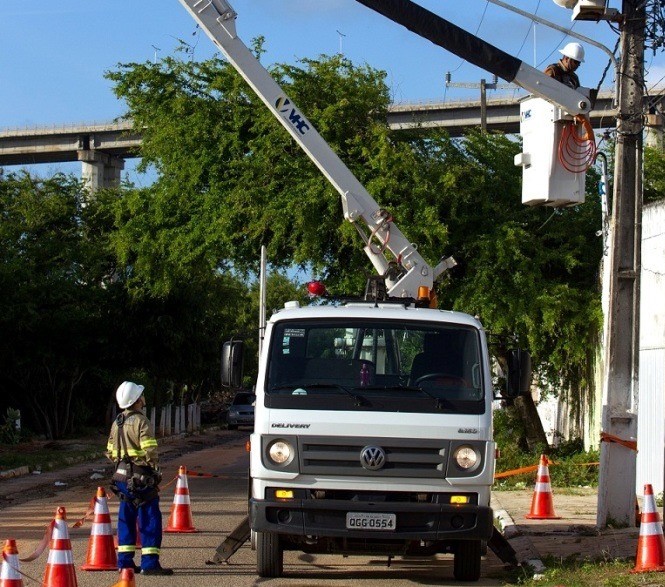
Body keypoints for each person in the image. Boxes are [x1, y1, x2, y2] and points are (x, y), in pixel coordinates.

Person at [106, 381, 173, 576]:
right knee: (150, 518)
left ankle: (125, 563)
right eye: (141, 395)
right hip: (140, 477)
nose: (143, 398)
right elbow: (150, 450)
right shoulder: (141, 421)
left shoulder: (117, 421)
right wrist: (154, 470)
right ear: (137, 400)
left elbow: (110, 451)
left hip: (121, 477)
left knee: (125, 519)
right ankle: (150, 563)